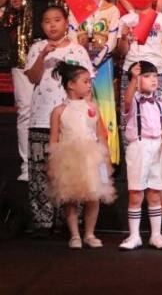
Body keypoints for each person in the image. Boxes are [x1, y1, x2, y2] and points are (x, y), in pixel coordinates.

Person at [1, 0, 67, 181]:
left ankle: (54, 165)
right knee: (26, 110)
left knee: (56, 109)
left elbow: (68, 20)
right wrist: (13, 9)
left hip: (54, 51)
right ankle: (28, 165)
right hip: (23, 53)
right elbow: (6, 24)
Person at [25, 6, 94, 235]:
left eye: (57, 20)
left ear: (66, 23)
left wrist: (88, 115)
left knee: (71, 170)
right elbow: (33, 77)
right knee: (42, 170)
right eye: (47, 21)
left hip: (71, 121)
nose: (52, 25)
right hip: (41, 118)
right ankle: (43, 221)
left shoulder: (78, 50)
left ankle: (71, 222)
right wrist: (43, 55)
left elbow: (87, 85)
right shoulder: (37, 47)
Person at [47, 62, 116, 249]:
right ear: (71, 85)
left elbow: (101, 134)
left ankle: (89, 233)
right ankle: (75, 235)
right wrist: (52, 164)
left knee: (94, 194)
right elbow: (54, 139)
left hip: (93, 156)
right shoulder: (59, 111)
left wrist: (106, 158)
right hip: (69, 158)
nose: (89, 85)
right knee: (70, 196)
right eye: (85, 81)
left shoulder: (92, 107)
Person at [69, 0, 121, 163]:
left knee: (105, 106)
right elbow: (72, 34)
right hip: (81, 65)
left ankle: (109, 158)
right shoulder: (76, 6)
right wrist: (83, 60)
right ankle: (83, 158)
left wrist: (97, 59)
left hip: (103, 64)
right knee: (82, 105)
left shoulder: (112, 9)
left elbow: (113, 40)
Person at [120, 61, 162, 250]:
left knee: (154, 193)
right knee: (136, 193)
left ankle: (156, 235)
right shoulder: (134, 101)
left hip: (156, 147)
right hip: (139, 147)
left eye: (154, 76)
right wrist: (134, 79)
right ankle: (134, 235)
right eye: (147, 76)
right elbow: (127, 100)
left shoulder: (160, 105)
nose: (153, 80)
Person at [116, 0, 162, 94]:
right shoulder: (125, 20)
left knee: (157, 106)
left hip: (158, 71)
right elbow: (122, 52)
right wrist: (124, 37)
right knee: (129, 105)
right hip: (131, 71)